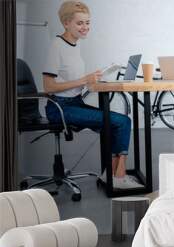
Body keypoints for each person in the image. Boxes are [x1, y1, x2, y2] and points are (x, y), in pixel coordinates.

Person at [43, 1, 138, 189]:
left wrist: (92, 79)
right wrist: (84, 80)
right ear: (66, 23)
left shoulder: (74, 45)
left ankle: (110, 174)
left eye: (87, 23)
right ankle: (118, 175)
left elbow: (71, 81)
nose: (85, 27)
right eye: (80, 23)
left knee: (115, 123)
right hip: (60, 108)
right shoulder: (57, 45)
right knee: (123, 122)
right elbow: (48, 87)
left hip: (74, 103)